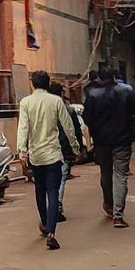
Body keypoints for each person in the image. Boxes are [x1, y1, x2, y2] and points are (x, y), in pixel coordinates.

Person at [18, 70, 83, 250]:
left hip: (36, 155)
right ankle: (52, 232)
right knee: (53, 191)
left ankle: (45, 224)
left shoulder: (25, 103)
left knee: (39, 189)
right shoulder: (56, 101)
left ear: (33, 84)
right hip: (53, 154)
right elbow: (68, 127)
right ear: (47, 84)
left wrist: (22, 152)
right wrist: (75, 147)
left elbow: (23, 128)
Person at [83, 69, 135, 228]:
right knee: (121, 176)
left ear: (99, 78)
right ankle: (118, 215)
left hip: (101, 142)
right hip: (122, 140)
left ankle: (109, 204)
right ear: (114, 77)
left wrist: (96, 130)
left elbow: (87, 118)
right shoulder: (126, 92)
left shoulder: (92, 94)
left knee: (105, 173)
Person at [49, 81, 84, 222]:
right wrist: (78, 148)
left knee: (51, 181)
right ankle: (56, 207)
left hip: (47, 150)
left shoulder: (45, 109)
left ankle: (53, 207)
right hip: (64, 149)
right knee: (62, 179)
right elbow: (75, 131)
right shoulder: (68, 110)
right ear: (61, 94)